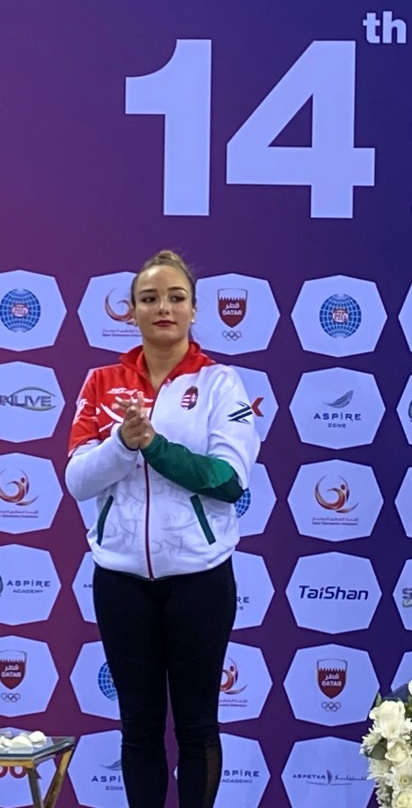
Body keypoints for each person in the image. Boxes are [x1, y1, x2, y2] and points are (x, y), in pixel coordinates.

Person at [65, 250, 260, 808]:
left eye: (176, 297)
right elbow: (78, 479)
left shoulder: (222, 383)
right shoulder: (102, 381)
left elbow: (227, 481)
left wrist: (154, 445)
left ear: (195, 310)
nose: (163, 307)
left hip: (199, 578)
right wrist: (122, 444)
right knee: (139, 728)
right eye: (149, 299)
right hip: (121, 580)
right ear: (131, 312)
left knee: (198, 726)